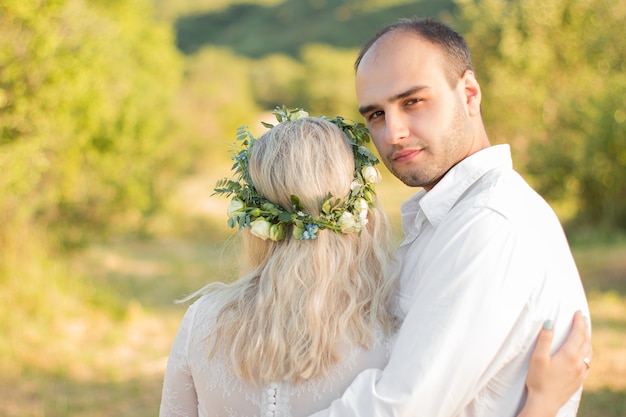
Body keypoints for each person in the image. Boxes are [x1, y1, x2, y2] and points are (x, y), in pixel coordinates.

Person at [159, 109, 591, 417]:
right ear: (362, 208)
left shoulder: (203, 322)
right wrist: (540, 407)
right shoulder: (397, 325)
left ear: (253, 218)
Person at [308, 17, 591, 417]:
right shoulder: (449, 217)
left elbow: (401, 408)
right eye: (375, 115)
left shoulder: (489, 225)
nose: (393, 133)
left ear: (470, 94)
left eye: (412, 102)